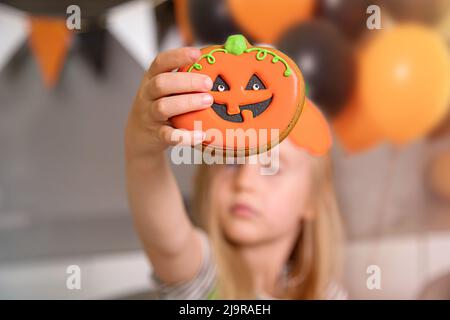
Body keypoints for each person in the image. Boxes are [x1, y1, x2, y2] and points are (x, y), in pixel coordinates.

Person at [125, 47, 346, 299]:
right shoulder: (203, 276)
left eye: (270, 167)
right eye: (231, 163)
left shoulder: (325, 294)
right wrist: (142, 154)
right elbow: (168, 243)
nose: (244, 182)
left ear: (312, 199)